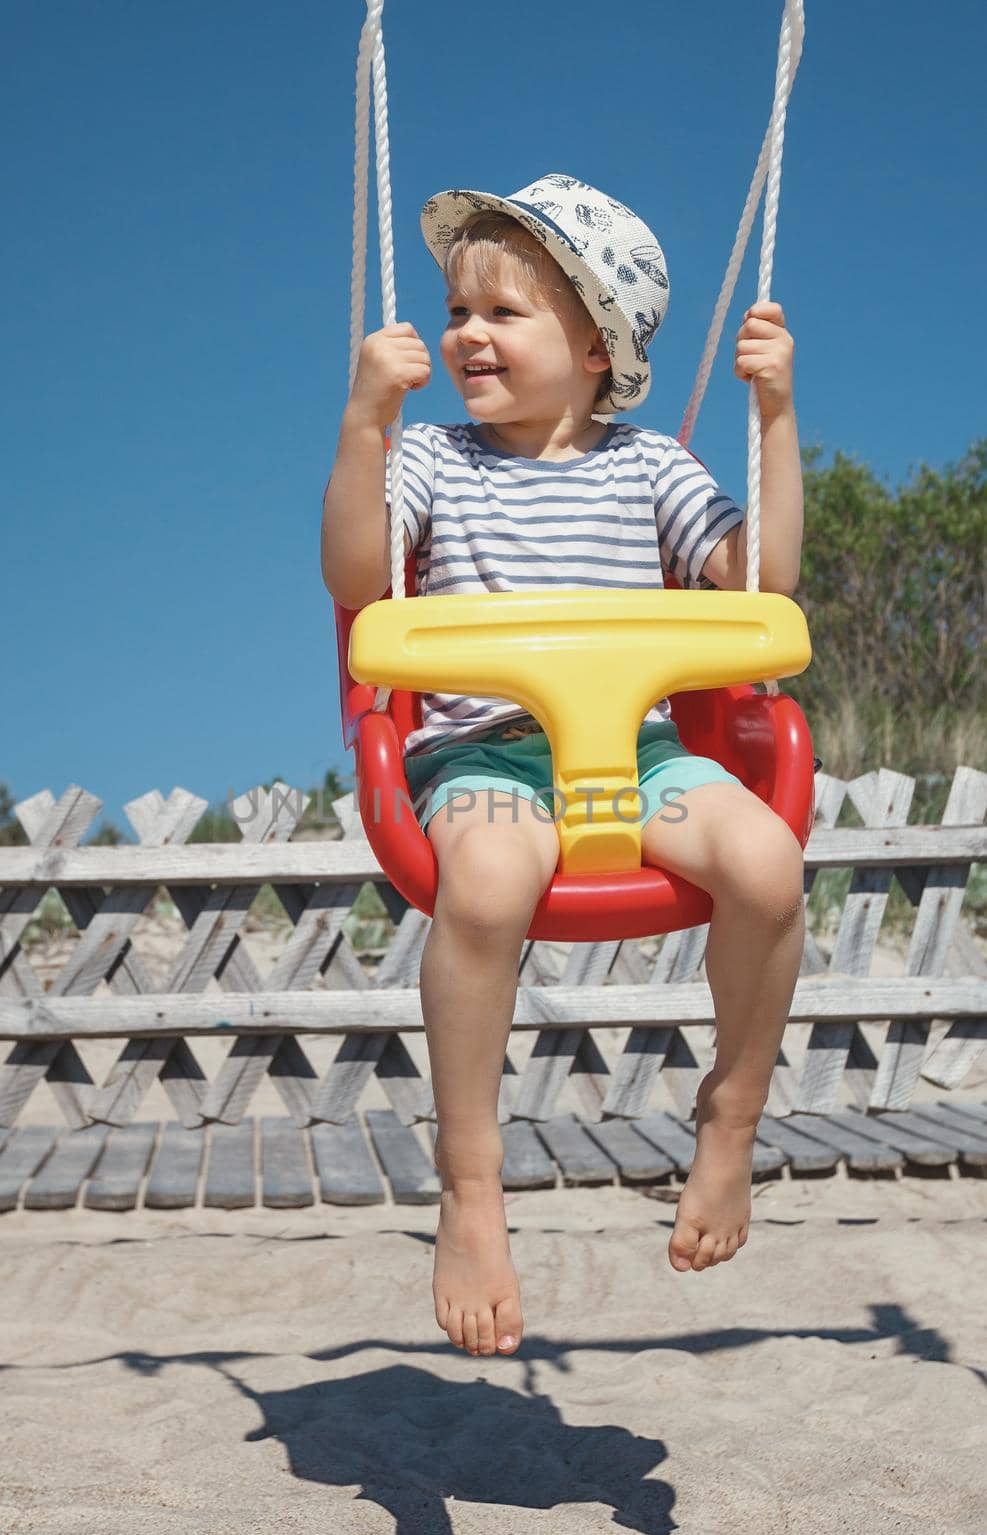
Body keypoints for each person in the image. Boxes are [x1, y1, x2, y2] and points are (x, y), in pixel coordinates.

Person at [320, 174, 805, 1359]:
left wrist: (777, 417)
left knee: (767, 863)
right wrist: (362, 425)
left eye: (500, 314)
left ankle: (730, 1113)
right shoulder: (432, 460)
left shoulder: (649, 470)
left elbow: (762, 590)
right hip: (481, 752)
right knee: (484, 888)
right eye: (454, 312)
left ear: (595, 347)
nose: (463, 336)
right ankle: (471, 1184)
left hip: (638, 757)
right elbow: (351, 578)